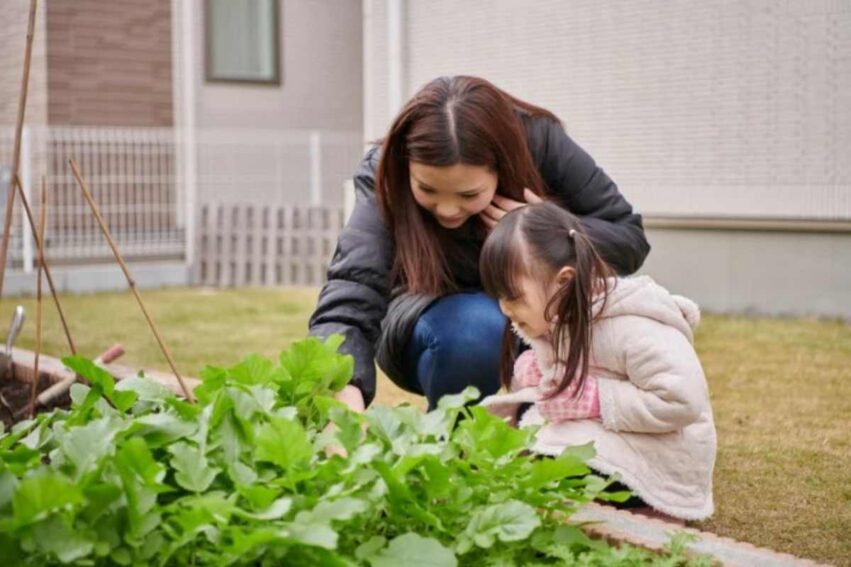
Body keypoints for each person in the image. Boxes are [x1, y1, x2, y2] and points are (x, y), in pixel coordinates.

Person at [308, 75, 650, 412]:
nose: (447, 209)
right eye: (427, 189)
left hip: (538, 314)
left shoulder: (540, 144)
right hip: (431, 321)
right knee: (476, 329)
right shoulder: (384, 171)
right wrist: (341, 387)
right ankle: (452, 437)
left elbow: (628, 237)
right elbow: (354, 284)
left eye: (469, 194)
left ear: (502, 166)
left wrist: (541, 227)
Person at [478, 202, 717, 522]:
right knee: (510, 427)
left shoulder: (634, 328)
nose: (504, 308)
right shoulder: (561, 316)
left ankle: (642, 505)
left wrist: (595, 399)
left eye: (513, 296)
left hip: (660, 456)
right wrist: (540, 372)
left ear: (564, 280)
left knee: (552, 460)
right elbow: (569, 390)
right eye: (498, 296)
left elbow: (682, 400)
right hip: (614, 435)